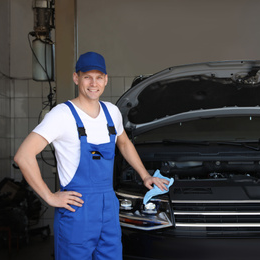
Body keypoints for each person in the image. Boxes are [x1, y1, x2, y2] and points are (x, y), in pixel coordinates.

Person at [14, 51, 169, 260]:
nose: (93, 83)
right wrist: (49, 197)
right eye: (87, 76)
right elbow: (23, 156)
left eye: (98, 77)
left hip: (108, 207)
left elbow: (123, 143)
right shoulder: (61, 115)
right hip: (77, 209)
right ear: (76, 78)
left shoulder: (111, 112)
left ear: (105, 80)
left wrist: (145, 175)